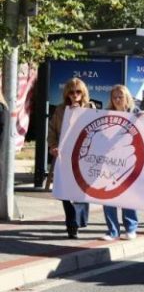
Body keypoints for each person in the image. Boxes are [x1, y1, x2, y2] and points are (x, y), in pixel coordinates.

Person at [48, 78, 95, 239]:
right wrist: (53, 146)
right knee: (65, 191)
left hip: (84, 156)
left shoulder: (90, 108)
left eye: (78, 92)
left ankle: (78, 220)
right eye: (71, 92)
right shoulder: (61, 110)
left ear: (83, 93)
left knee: (81, 191)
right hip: (64, 156)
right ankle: (72, 224)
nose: (74, 95)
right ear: (66, 93)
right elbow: (52, 130)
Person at [101, 85, 141, 241]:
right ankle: (112, 230)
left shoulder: (136, 114)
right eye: (115, 97)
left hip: (130, 160)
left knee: (128, 195)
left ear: (127, 98)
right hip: (109, 161)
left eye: (120, 97)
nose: (117, 100)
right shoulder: (105, 114)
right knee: (107, 195)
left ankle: (131, 228)